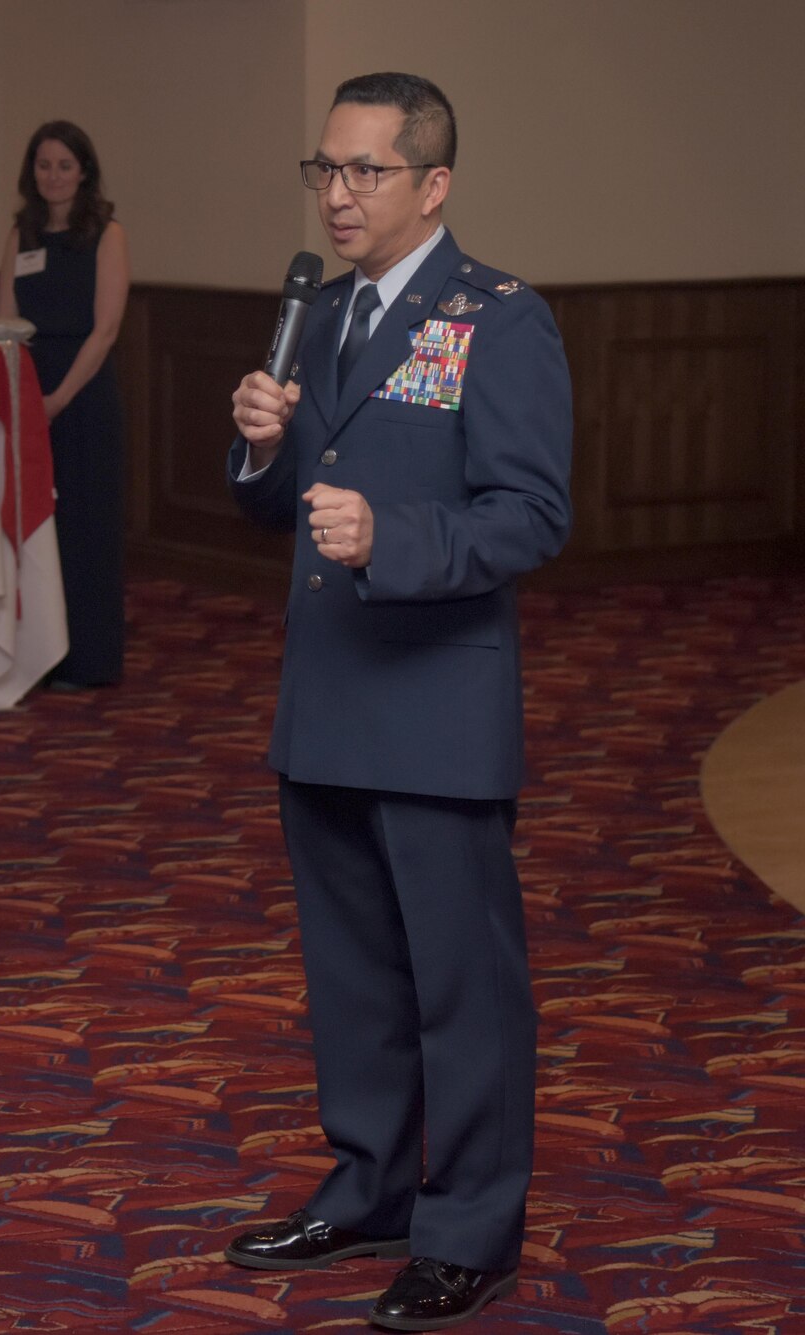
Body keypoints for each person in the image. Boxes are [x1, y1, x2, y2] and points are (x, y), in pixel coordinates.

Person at [220, 73, 571, 1330]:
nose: (338, 192)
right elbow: (288, 500)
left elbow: (529, 515)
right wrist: (261, 446)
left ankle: (467, 1224)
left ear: (433, 185)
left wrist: (394, 537)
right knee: (353, 973)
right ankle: (368, 1182)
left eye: (366, 170)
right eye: (324, 167)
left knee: (459, 987)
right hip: (325, 696)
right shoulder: (319, 313)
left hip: (433, 707)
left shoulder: (497, 319)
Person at [0, 121, 130, 689]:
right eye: (43, 165)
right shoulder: (21, 234)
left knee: (85, 529)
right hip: (27, 391)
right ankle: (38, 656)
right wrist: (20, 397)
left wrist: (56, 401)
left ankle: (90, 660)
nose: (52, 176)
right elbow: (3, 323)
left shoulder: (106, 233)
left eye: (64, 166)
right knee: (33, 529)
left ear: (85, 173)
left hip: (83, 393)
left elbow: (105, 331)